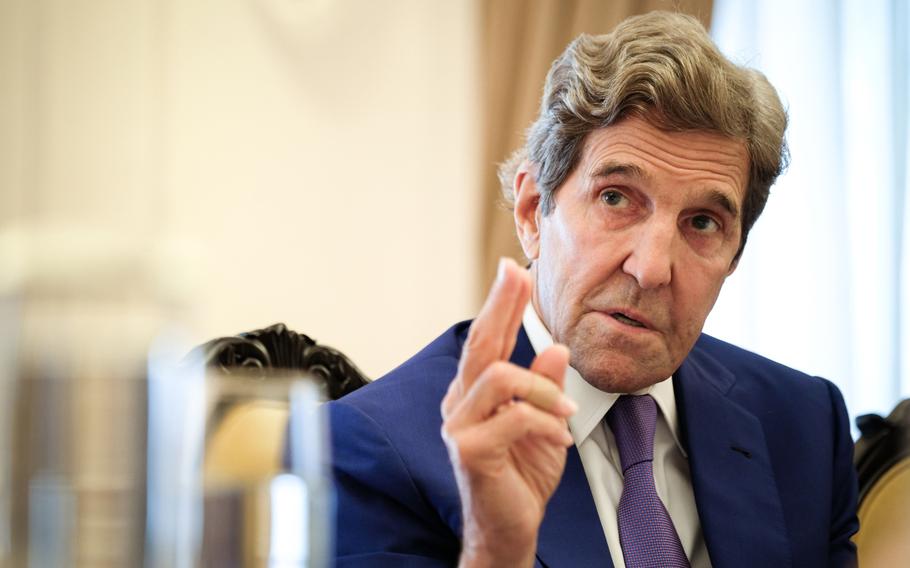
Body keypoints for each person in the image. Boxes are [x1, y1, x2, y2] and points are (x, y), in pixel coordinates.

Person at [327, 11, 858, 568]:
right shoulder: (375, 450)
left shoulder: (802, 427)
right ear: (533, 212)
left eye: (702, 223)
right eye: (615, 198)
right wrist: (494, 551)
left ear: (735, 256)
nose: (652, 268)